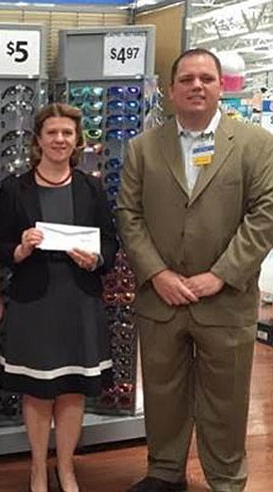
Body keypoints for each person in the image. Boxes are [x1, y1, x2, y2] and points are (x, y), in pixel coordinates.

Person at [117, 48, 273, 492]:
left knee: (226, 398)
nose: (197, 86)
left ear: (221, 86)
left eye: (206, 78)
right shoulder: (142, 149)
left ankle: (226, 478)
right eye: (187, 79)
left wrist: (221, 274)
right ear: (171, 90)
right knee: (164, 394)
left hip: (225, 298)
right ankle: (165, 473)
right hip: (161, 299)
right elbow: (128, 215)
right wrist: (157, 274)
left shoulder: (256, 145)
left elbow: (265, 214)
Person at [0, 102, 117, 492]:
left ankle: (65, 467)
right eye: (52, 133)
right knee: (38, 388)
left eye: (67, 133)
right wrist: (20, 250)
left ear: (77, 140)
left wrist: (96, 258)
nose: (60, 140)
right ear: (38, 140)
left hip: (79, 297)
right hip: (34, 299)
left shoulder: (90, 186)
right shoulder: (15, 188)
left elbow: (111, 242)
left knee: (73, 386)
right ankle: (36, 467)